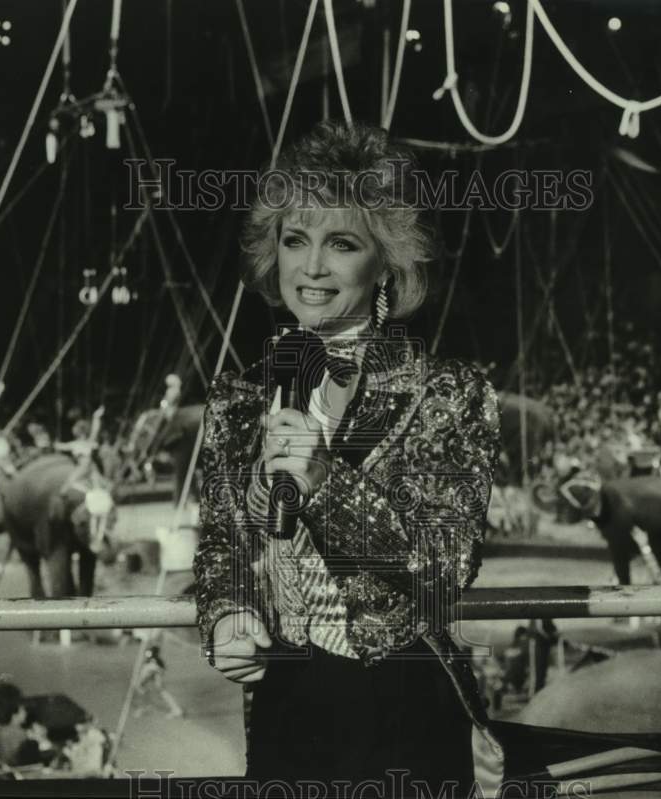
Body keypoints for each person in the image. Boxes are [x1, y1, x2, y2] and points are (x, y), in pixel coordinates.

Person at [193, 120, 504, 792]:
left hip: (401, 706)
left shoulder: (448, 391)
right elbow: (221, 541)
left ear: (388, 262)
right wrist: (227, 611)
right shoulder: (241, 394)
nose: (310, 268)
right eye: (294, 240)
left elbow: (447, 564)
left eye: (341, 244)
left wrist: (325, 483)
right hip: (285, 707)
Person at [55, 407, 105, 493]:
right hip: (91, 466)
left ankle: (89, 491)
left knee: (71, 482)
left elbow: (60, 446)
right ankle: (92, 492)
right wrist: (96, 417)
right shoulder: (88, 442)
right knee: (98, 485)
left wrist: (54, 444)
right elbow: (95, 430)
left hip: (84, 466)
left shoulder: (76, 444)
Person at [132, 645, 183, 719]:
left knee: (142, 686)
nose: (147, 653)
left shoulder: (154, 661)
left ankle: (176, 710)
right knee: (141, 687)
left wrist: (145, 673)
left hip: (155, 670)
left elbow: (156, 668)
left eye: (149, 652)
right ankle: (145, 706)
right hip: (155, 670)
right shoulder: (152, 659)